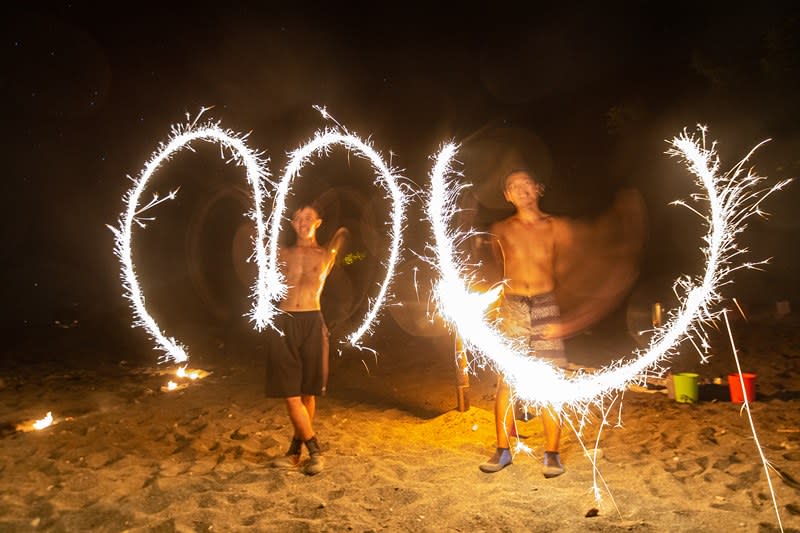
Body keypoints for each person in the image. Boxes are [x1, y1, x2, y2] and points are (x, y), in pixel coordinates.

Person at [478, 169, 569, 478]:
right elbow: (498, 266)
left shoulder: (555, 226)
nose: (522, 190)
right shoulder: (501, 228)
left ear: (537, 188)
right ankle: (503, 450)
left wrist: (563, 317)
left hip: (545, 303)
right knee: (507, 380)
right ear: (508, 195)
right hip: (514, 305)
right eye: (514, 186)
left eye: (527, 184)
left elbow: (567, 270)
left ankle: (552, 454)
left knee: (550, 381)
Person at [266, 204, 348, 476]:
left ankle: (294, 452)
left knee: (307, 393)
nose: (303, 222)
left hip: (313, 321)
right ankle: (315, 450)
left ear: (318, 222)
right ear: (291, 223)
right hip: (285, 321)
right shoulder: (281, 254)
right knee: (291, 396)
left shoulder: (327, 255)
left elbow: (354, 253)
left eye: (309, 218)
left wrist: (344, 236)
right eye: (298, 218)